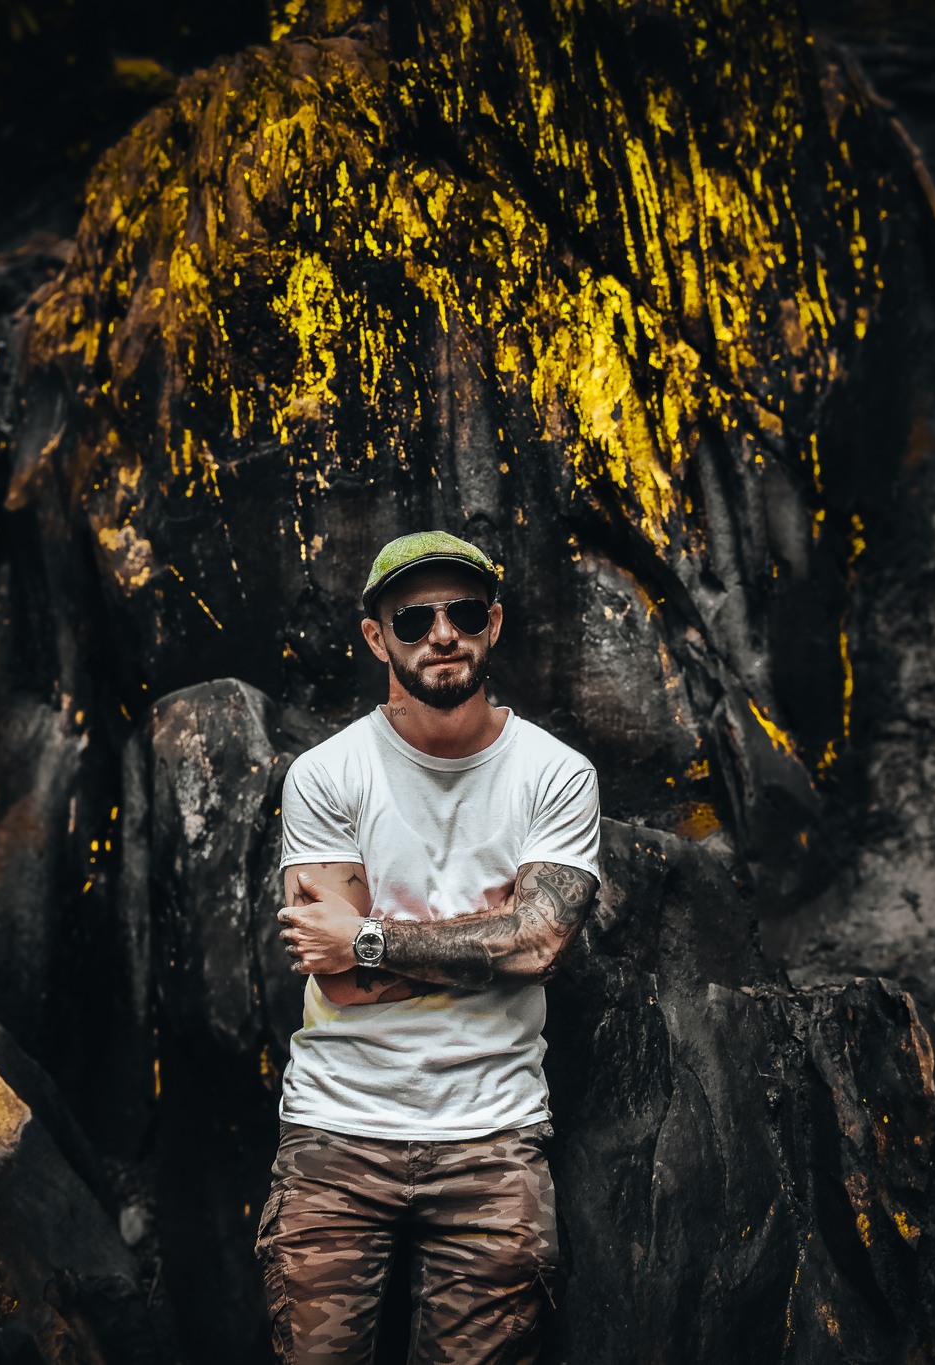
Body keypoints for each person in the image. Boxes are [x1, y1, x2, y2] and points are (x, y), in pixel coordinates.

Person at [261, 530, 602, 1365]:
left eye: (462, 612)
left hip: (495, 1137)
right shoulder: (327, 774)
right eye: (413, 618)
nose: (440, 633)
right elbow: (340, 986)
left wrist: (369, 935)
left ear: (493, 623)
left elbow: (540, 944)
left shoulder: (556, 775)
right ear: (378, 637)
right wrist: (489, 936)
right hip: (336, 1132)